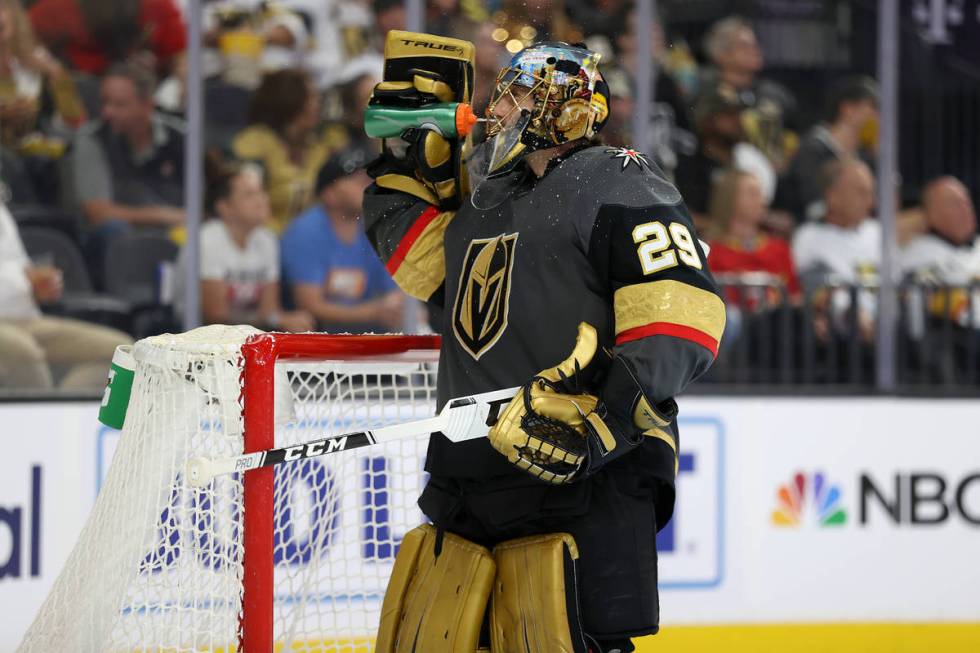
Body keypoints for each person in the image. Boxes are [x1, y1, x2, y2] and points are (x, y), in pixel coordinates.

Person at [363, 37, 724, 652]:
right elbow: (421, 265)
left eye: (519, 92)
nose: (498, 107)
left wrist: (601, 422)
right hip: (472, 466)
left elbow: (681, 316)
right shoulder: (487, 197)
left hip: (584, 471)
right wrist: (404, 157)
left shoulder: (619, 177)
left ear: (569, 105)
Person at [70, 62, 185, 288]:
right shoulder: (92, 140)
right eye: (105, 102)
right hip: (115, 243)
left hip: (178, 239)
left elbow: (204, 208)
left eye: (119, 104)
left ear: (147, 106)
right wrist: (165, 216)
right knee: (114, 230)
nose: (107, 112)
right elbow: (99, 213)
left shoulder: (182, 139)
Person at [174, 153, 313, 333]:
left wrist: (280, 319)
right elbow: (214, 316)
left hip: (244, 334)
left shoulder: (267, 239)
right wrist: (279, 319)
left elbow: (269, 309)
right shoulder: (207, 240)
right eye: (249, 195)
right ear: (224, 207)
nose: (262, 199)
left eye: (262, 192)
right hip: (192, 335)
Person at [0, 201, 132, 390]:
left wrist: (37, 284)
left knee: (120, 352)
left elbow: (20, 268)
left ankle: (63, 414)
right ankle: (42, 416)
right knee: (21, 354)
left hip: (26, 318)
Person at [281, 145, 404, 333]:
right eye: (357, 180)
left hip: (365, 339)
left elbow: (397, 287)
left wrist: (394, 303)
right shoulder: (305, 231)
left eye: (369, 178)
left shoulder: (375, 227)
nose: (369, 185)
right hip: (315, 342)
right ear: (329, 194)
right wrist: (373, 312)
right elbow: (310, 305)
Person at [233, 69, 347, 233]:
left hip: (313, 241)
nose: (317, 104)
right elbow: (246, 203)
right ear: (289, 101)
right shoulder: (256, 142)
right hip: (263, 239)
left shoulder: (321, 146)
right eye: (310, 98)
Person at [793, 158, 879, 340]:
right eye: (861, 193)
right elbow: (817, 288)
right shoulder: (809, 237)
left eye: (871, 193)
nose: (870, 202)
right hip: (841, 336)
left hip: (890, 332)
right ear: (833, 196)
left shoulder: (878, 234)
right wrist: (853, 313)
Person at [700, 16, 798, 171]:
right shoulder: (707, 93)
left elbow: (793, 136)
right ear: (722, 54)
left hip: (773, 181)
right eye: (744, 46)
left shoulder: (775, 94)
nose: (755, 50)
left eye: (755, 44)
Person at [779, 76, 879, 223]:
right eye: (872, 108)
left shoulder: (864, 155)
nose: (877, 118)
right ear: (848, 109)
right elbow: (816, 209)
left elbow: (884, 209)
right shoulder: (813, 149)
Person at [673, 83, 774, 229]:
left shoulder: (750, 160)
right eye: (728, 116)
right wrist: (723, 228)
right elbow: (680, 217)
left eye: (738, 115)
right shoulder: (687, 166)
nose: (738, 121)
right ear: (707, 120)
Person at [707, 169, 800, 308]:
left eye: (760, 194)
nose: (761, 200)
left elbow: (795, 297)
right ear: (730, 198)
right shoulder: (711, 252)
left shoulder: (780, 250)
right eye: (752, 193)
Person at [28, 0, 186, 76]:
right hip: (77, 104)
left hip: (142, 102)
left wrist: (184, 77)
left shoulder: (156, 7)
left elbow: (182, 56)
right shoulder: (55, 10)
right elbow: (21, 39)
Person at [901, 176, 980, 327]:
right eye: (955, 204)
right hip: (954, 340)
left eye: (966, 201)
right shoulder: (918, 255)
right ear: (932, 214)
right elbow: (942, 304)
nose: (966, 209)